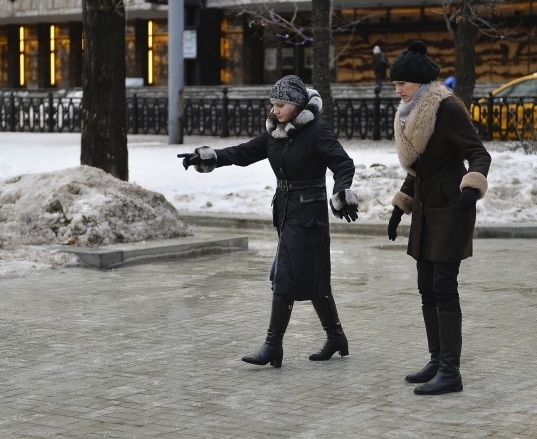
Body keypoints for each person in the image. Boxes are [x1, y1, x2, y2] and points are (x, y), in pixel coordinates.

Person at [177, 75, 359, 368]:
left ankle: (273, 345)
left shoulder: (316, 131)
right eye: (272, 104)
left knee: (285, 277)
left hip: (309, 213)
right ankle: (336, 336)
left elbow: (343, 164)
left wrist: (342, 193)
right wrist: (207, 157)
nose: (275, 110)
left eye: (281, 105)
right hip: (286, 211)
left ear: (298, 105)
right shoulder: (277, 132)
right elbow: (243, 152)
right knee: (313, 277)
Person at [386, 41, 491, 395]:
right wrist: (400, 206)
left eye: (400, 82)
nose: (396, 89)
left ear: (417, 82)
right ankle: (436, 360)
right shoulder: (408, 113)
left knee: (444, 288)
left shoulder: (446, 109)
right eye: (395, 83)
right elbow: (418, 168)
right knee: (426, 288)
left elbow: (478, 154)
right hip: (426, 209)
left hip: (451, 207)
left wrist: (470, 190)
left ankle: (451, 372)